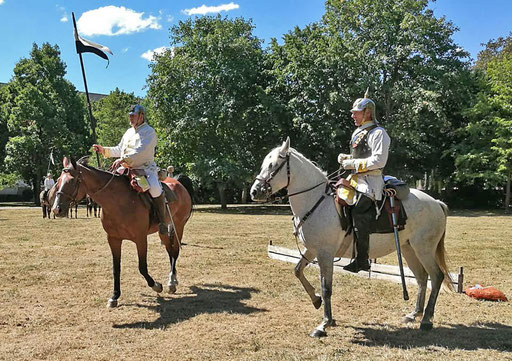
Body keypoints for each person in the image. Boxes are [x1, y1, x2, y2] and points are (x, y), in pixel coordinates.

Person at [92, 104, 171, 236]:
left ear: (141, 116)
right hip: (127, 168)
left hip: (145, 169)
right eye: (130, 116)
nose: (131, 118)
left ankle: (162, 222)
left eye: (133, 116)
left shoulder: (149, 131)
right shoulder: (128, 132)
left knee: (156, 189)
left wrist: (123, 159)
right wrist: (103, 150)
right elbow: (119, 149)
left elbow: (142, 151)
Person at [337, 92, 391, 273]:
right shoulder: (357, 131)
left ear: (367, 113)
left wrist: (351, 163)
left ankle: (362, 260)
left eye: (356, 113)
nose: (353, 115)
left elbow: (378, 161)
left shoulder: (379, 133)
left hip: (370, 182)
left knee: (360, 209)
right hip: (355, 179)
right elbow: (360, 155)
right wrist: (346, 158)